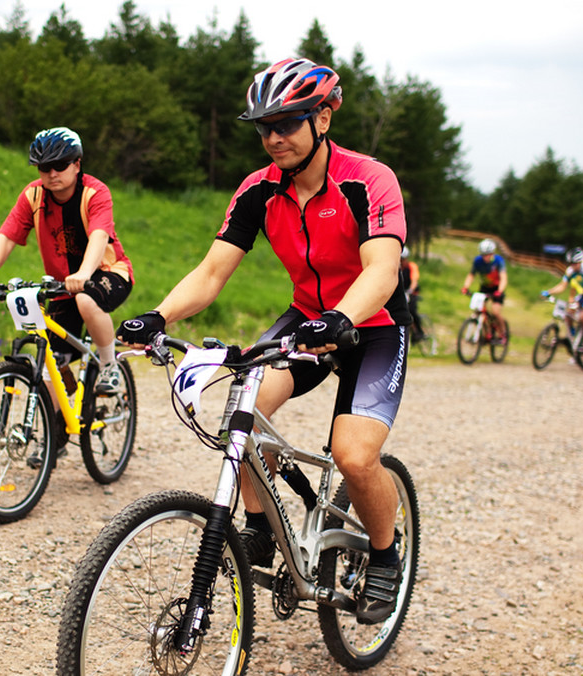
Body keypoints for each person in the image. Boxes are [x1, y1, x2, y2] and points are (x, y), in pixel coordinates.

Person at [116, 57, 409, 625]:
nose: (273, 138)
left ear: (324, 117)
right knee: (241, 412)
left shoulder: (369, 179)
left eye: (288, 123)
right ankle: (258, 528)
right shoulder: (258, 190)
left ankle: (385, 553)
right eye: (263, 127)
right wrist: (158, 315)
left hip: (372, 328)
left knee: (352, 455)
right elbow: (211, 273)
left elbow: (382, 270)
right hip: (307, 319)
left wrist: (342, 317)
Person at [0, 127, 133, 396]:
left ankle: (108, 364)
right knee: (52, 371)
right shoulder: (33, 196)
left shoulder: (95, 192)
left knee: (86, 299)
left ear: (77, 164)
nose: (52, 173)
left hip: (108, 272)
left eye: (59, 165)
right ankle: (54, 429)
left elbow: (100, 235)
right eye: (44, 167)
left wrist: (83, 274)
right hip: (63, 286)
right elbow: (7, 236)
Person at [542, 247, 583, 338]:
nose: (572, 266)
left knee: (582, 316)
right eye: (570, 263)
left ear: (580, 262)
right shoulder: (570, 271)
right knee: (568, 313)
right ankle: (573, 337)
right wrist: (548, 292)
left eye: (575, 263)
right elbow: (562, 286)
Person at [460, 238, 508, 342]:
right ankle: (486, 332)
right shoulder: (478, 261)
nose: (485, 257)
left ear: (492, 253)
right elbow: (471, 275)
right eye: (483, 254)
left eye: (487, 254)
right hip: (485, 288)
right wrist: (465, 287)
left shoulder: (498, 261)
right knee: (479, 310)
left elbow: (503, 278)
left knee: (495, 312)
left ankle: (502, 333)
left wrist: (499, 291)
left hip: (497, 288)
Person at [400, 246, 425, 339]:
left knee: (412, 310)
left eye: (403, 259)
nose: (401, 261)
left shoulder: (412, 267)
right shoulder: (396, 267)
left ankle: (419, 331)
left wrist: (410, 290)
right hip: (401, 293)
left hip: (411, 292)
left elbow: (414, 281)